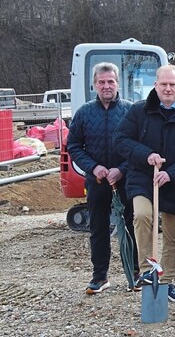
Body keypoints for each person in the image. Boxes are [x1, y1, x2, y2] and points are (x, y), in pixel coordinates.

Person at [115, 64, 175, 302]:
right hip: (142, 178)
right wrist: (146, 155)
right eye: (163, 84)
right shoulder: (138, 112)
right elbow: (121, 140)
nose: (168, 89)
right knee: (142, 216)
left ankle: (166, 282)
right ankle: (147, 272)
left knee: (171, 235)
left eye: (172, 85)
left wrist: (173, 173)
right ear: (155, 85)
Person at [67, 62, 138, 294]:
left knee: (130, 225)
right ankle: (100, 277)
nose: (106, 86)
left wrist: (122, 169)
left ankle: (135, 273)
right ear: (94, 84)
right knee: (98, 228)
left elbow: (139, 147)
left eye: (110, 81)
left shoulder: (130, 111)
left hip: (126, 180)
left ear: (118, 83)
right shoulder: (84, 113)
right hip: (97, 181)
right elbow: (74, 146)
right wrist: (93, 167)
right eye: (101, 82)